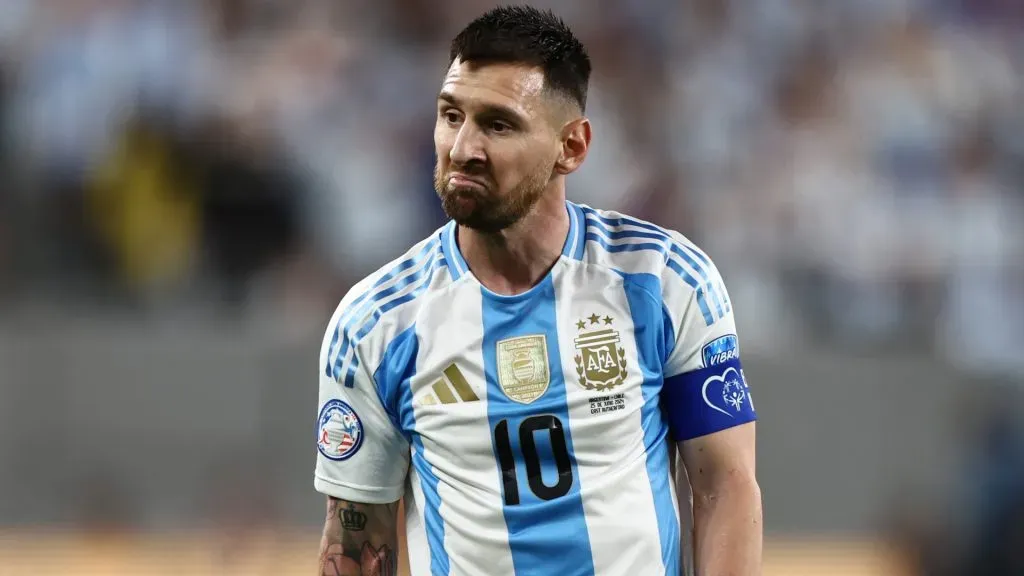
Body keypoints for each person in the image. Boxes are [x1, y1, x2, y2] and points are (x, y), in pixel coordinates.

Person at [314, 6, 761, 575]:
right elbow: (356, 541)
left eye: (498, 125)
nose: (463, 148)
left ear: (571, 147)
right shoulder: (377, 324)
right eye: (451, 115)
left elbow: (725, 486)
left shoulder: (663, 280)